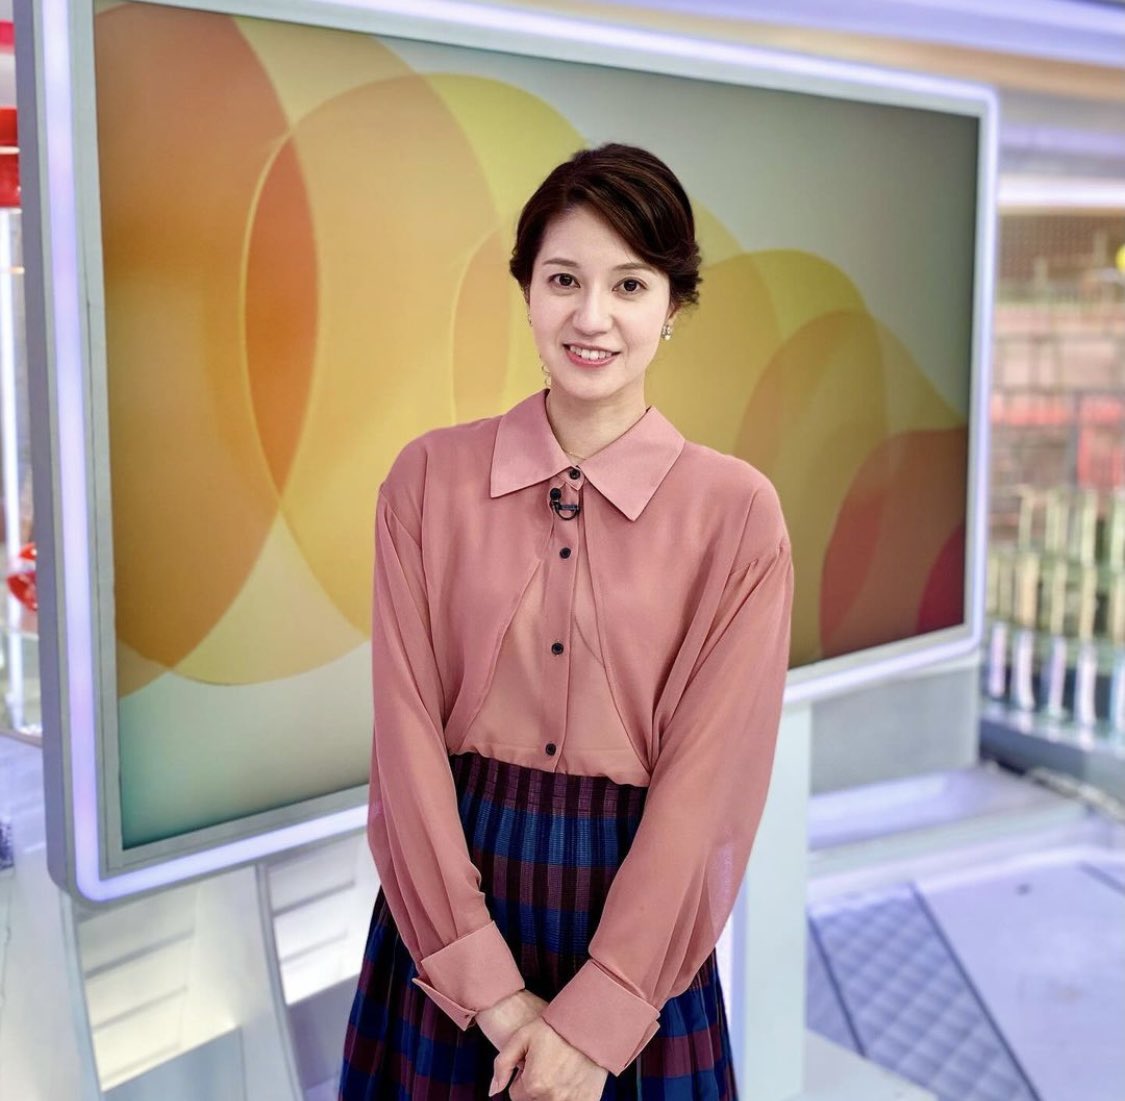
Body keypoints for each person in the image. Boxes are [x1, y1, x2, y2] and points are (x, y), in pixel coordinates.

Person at [339, 142, 794, 1101]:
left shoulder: (737, 513)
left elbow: (708, 785)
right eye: (563, 280)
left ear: (672, 306)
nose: (591, 317)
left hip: (637, 921)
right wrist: (492, 994)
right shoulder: (425, 479)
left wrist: (598, 1018)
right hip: (451, 904)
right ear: (527, 292)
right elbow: (404, 741)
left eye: (629, 284)